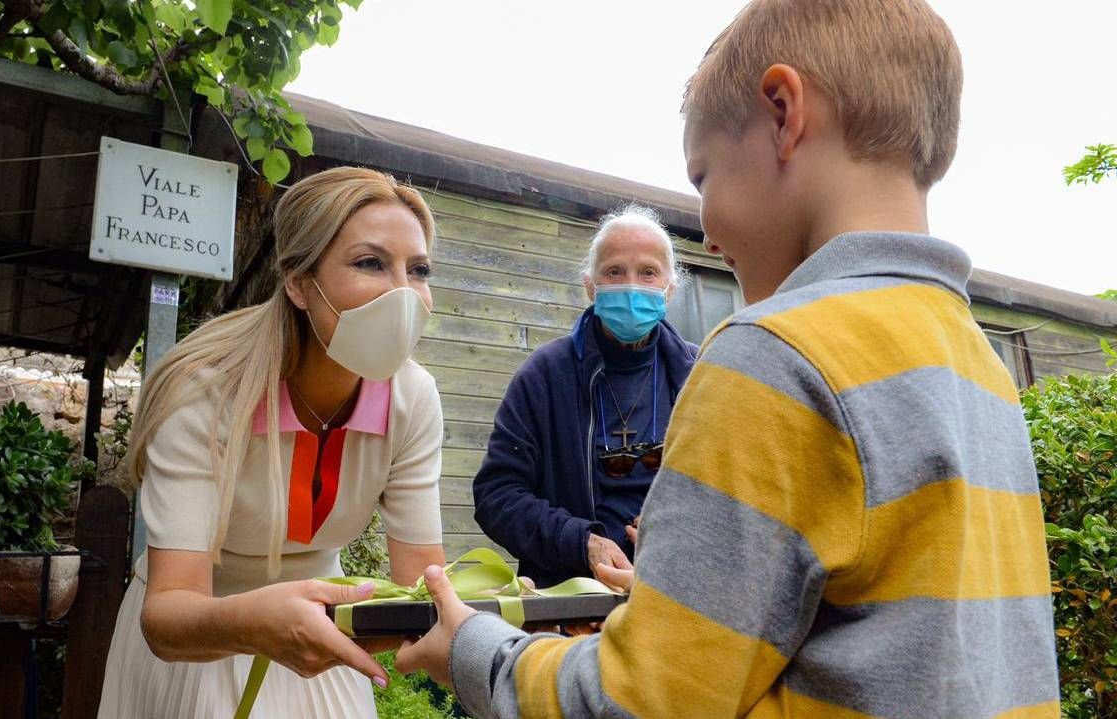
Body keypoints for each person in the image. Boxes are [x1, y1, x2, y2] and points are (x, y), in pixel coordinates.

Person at [396, 1, 1060, 716]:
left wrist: (475, 647)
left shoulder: (771, 354)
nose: (707, 235)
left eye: (703, 177)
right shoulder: (983, 370)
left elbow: (642, 701)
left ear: (783, 113)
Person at [97, 167, 448, 718]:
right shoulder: (206, 390)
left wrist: (511, 621)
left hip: (321, 651)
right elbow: (166, 617)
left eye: (419, 269)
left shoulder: (415, 399)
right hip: (197, 646)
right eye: (370, 263)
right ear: (299, 283)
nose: (403, 293)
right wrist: (258, 624)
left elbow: (422, 587)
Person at [471, 206, 697, 590]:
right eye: (614, 272)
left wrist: (680, 533)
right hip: (571, 598)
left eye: (648, 272)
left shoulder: (701, 375)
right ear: (590, 287)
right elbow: (497, 496)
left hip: (677, 594)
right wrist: (581, 542)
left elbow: (741, 498)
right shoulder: (543, 375)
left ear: (669, 288)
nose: (631, 286)